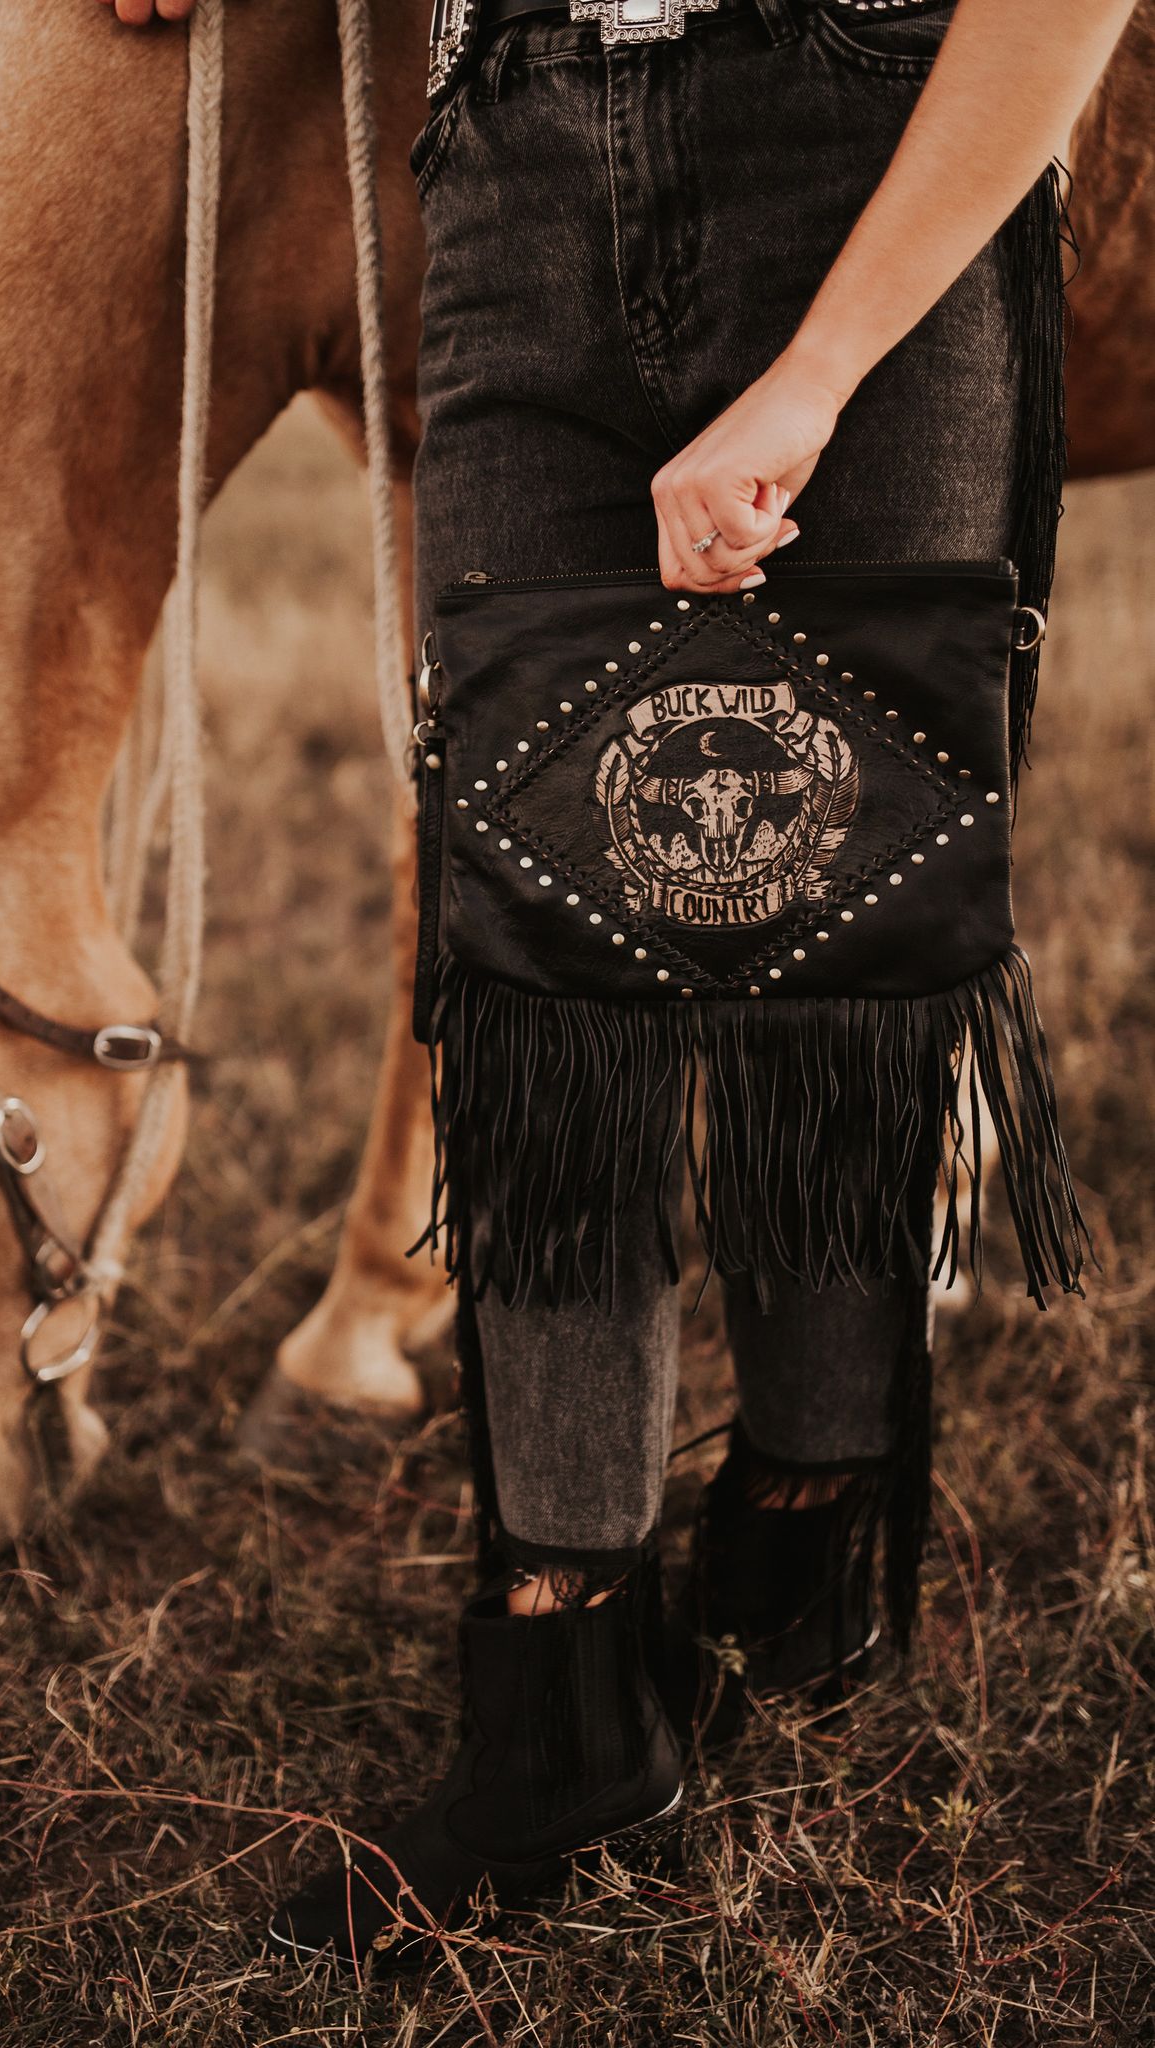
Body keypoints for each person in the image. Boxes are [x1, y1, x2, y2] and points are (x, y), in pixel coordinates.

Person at [101, 0, 1137, 1970]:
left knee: (835, 910)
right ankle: (563, 1700)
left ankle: (801, 1538)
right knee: (539, 958)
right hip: (507, 147)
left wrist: (815, 372)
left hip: (861, 119)